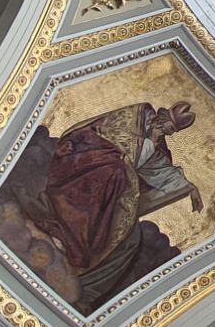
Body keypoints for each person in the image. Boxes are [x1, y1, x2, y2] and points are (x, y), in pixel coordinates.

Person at [16, 100, 202, 311]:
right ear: (164, 119)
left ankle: (81, 257)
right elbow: (107, 134)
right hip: (88, 158)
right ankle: (68, 234)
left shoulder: (156, 143)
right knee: (113, 171)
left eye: (174, 131)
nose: (170, 132)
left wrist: (189, 187)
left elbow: (158, 168)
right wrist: (131, 153)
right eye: (171, 128)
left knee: (125, 227)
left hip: (113, 185)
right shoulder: (137, 116)